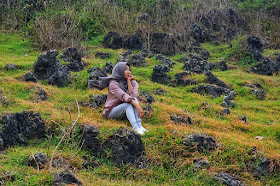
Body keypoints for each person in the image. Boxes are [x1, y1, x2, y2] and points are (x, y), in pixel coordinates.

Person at [88, 62, 148, 135]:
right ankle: (136, 128)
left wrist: (129, 82)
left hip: (124, 112)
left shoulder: (133, 82)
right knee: (128, 105)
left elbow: (133, 96)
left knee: (134, 100)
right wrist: (138, 106)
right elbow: (124, 96)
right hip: (111, 112)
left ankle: (140, 126)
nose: (128, 71)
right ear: (119, 70)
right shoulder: (113, 84)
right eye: (125, 69)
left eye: (129, 69)